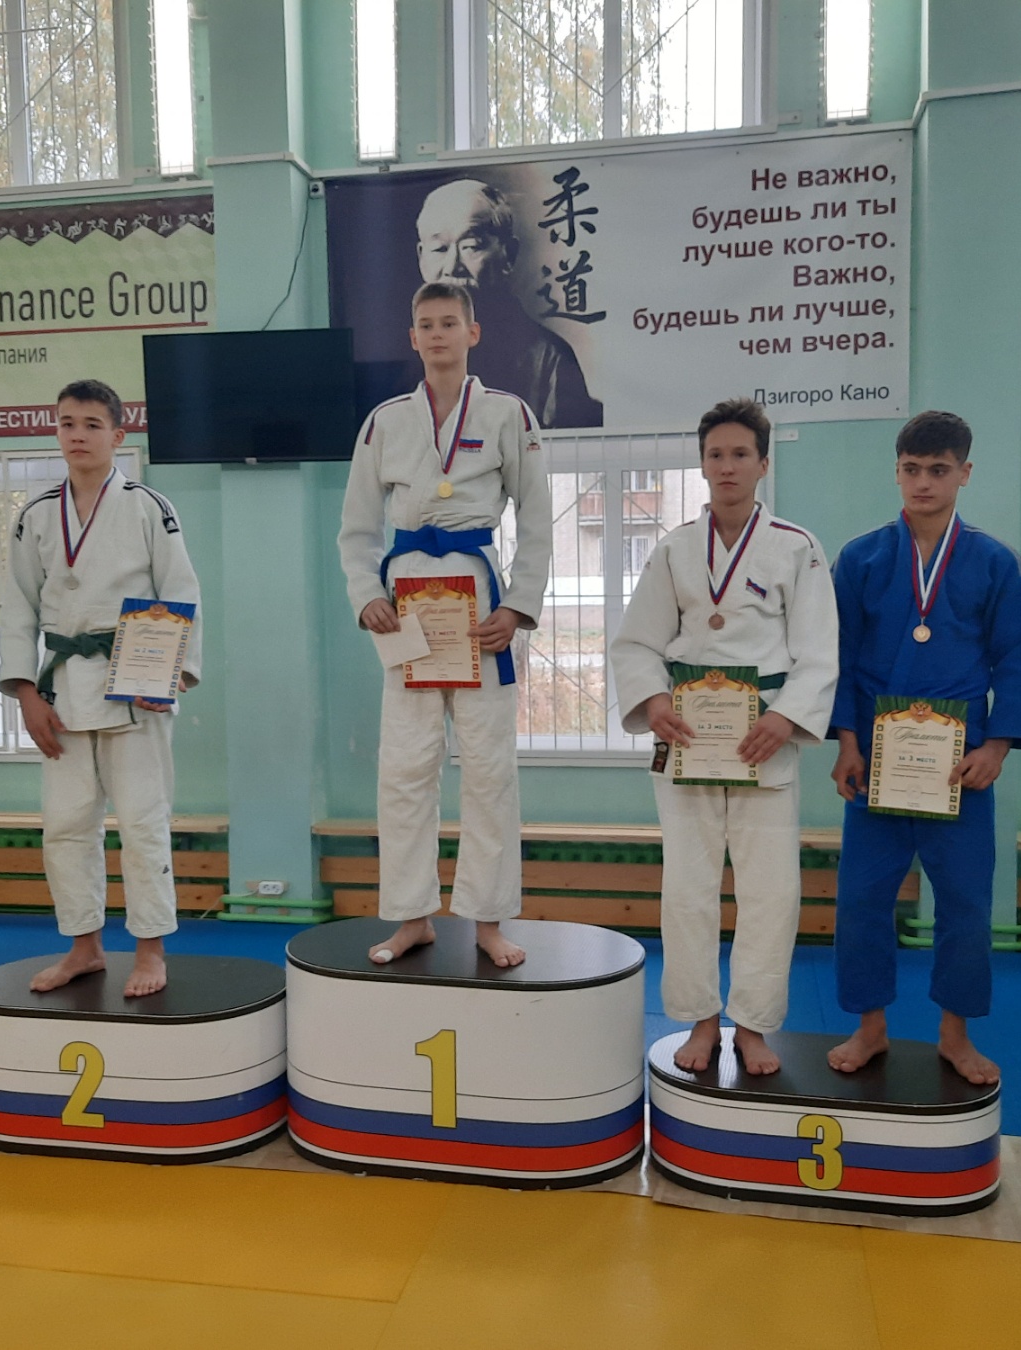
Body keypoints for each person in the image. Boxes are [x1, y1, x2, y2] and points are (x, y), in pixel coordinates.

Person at [611, 398, 838, 1074]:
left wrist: (786, 716)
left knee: (771, 891)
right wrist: (654, 700)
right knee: (688, 887)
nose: (728, 466)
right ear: (703, 463)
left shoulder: (797, 546)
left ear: (763, 464)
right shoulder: (675, 548)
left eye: (741, 454)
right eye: (716, 455)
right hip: (689, 737)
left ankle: (754, 1027)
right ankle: (702, 1021)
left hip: (764, 736)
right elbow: (637, 642)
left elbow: (819, 650)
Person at [827, 412, 1021, 1085]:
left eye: (939, 469)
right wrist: (846, 742)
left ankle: (955, 1034)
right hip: (876, 760)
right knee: (861, 899)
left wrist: (997, 748)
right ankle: (870, 1026)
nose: (924, 481)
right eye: (912, 469)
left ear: (964, 473)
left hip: (960, 763)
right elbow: (838, 655)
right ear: (897, 471)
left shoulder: (997, 562)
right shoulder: (860, 558)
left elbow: (1020, 660)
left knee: (967, 905)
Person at [339, 279, 551, 968]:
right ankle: (412, 916)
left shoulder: (508, 413)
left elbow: (538, 520)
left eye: (449, 323)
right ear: (413, 337)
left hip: (480, 601)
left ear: (472, 332)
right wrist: (365, 595)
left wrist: (518, 606)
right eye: (426, 324)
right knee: (405, 764)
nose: (437, 334)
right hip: (406, 602)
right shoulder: (384, 421)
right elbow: (356, 527)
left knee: (489, 768)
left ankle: (488, 920)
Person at [0, 378, 203, 999]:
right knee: (65, 826)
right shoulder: (35, 515)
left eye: (91, 424)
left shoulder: (148, 506)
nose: (77, 435)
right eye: (67, 423)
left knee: (143, 823)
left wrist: (170, 675)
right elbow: (16, 608)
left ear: (118, 435)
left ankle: (150, 949)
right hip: (61, 690)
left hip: (135, 684)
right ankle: (84, 946)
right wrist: (25, 694)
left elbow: (182, 591)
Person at [415, 178, 603, 429]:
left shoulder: (550, 362)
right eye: (439, 249)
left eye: (471, 246)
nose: (452, 267)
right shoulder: (405, 357)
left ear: (509, 254)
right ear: (421, 257)